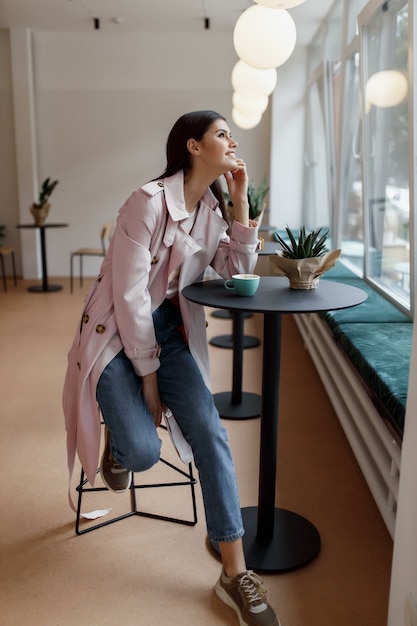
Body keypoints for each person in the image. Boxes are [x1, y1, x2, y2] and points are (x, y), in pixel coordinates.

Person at [63, 110, 280, 626]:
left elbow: (234, 272)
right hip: (118, 333)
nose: (233, 142)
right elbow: (130, 296)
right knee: (141, 452)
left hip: (173, 334)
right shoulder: (146, 201)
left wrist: (241, 202)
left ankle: (234, 574)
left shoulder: (209, 208)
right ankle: (122, 439)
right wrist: (148, 376)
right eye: (222, 134)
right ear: (193, 146)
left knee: (211, 435)